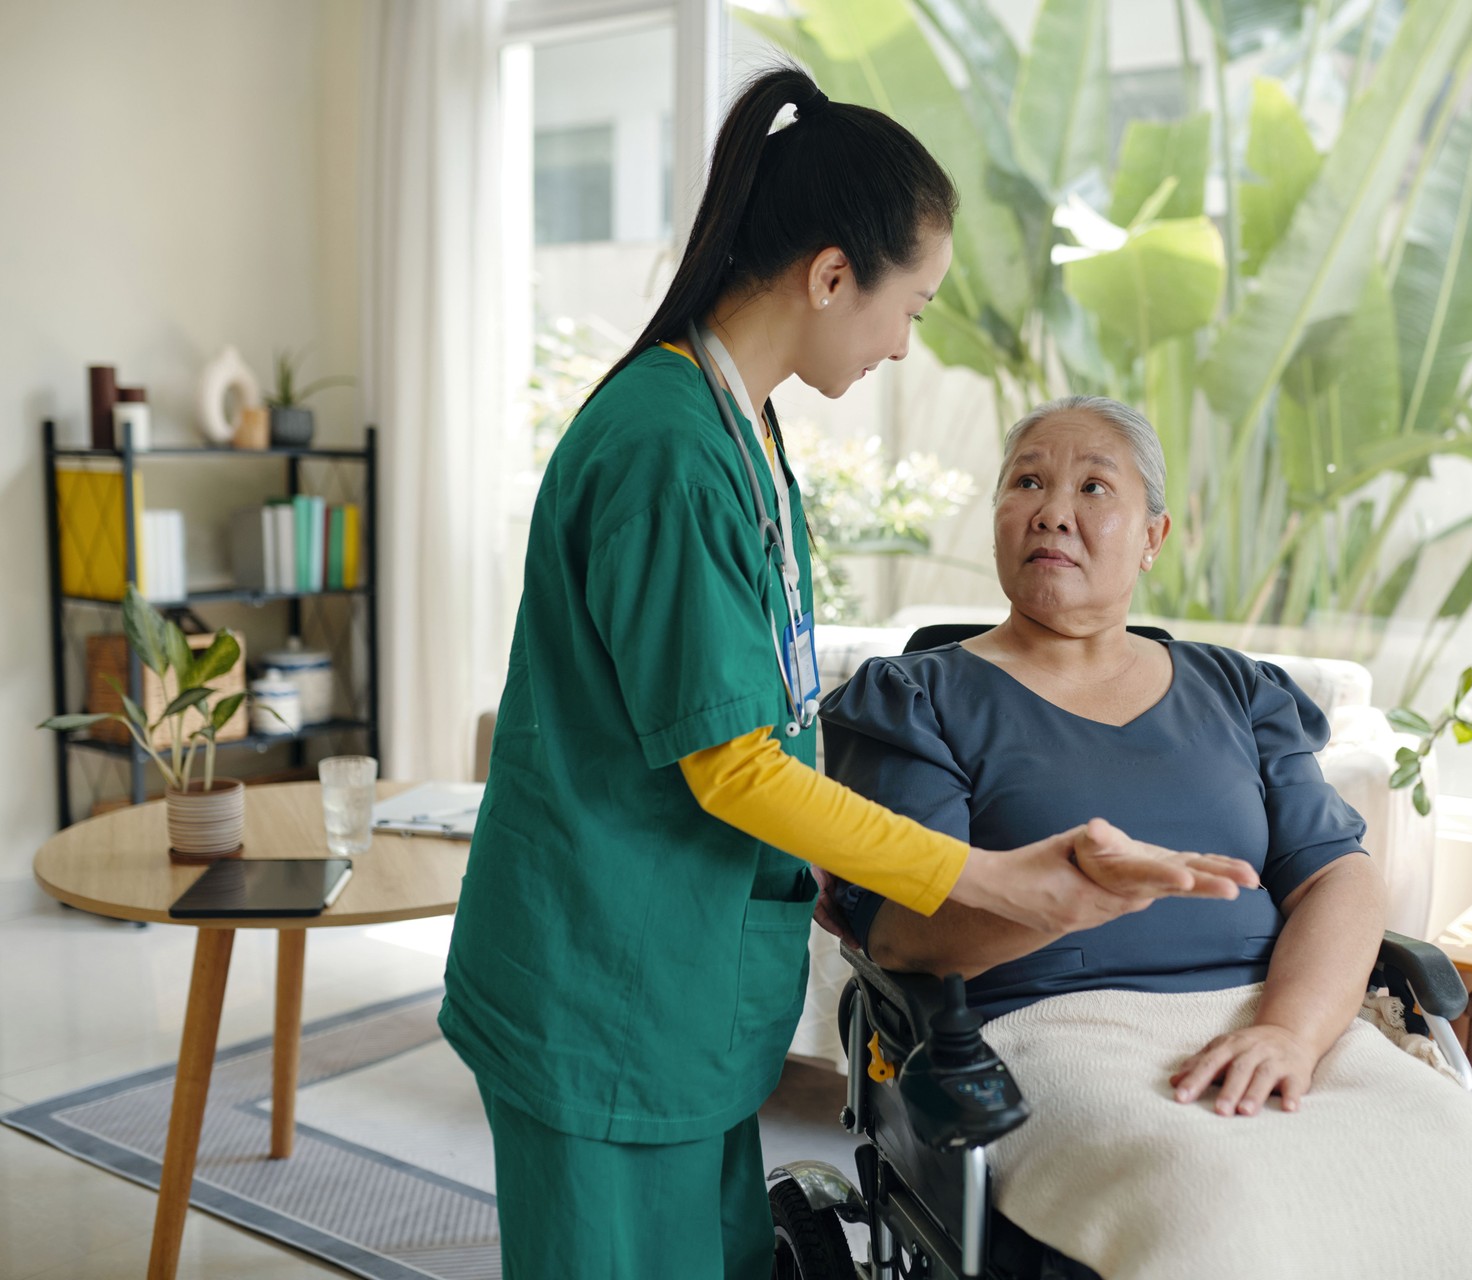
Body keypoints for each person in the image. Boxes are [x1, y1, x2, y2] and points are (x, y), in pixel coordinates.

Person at [438, 70, 1258, 1280]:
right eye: (909, 306)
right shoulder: (666, 449)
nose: (902, 341)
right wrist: (987, 878)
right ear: (832, 277)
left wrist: (827, 852)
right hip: (604, 982)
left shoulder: (742, 430)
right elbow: (731, 760)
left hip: (689, 987)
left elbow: (763, 696)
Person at [820, 396, 1472, 1278]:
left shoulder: (1235, 691)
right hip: (1049, 1029)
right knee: (1217, 1216)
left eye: (1093, 487)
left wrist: (1290, 1034)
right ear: (997, 518)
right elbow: (909, 931)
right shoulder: (920, 697)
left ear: (1152, 536)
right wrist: (1069, 899)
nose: (1053, 509)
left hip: (1273, 1012)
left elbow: (1338, 876)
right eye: (1028, 480)